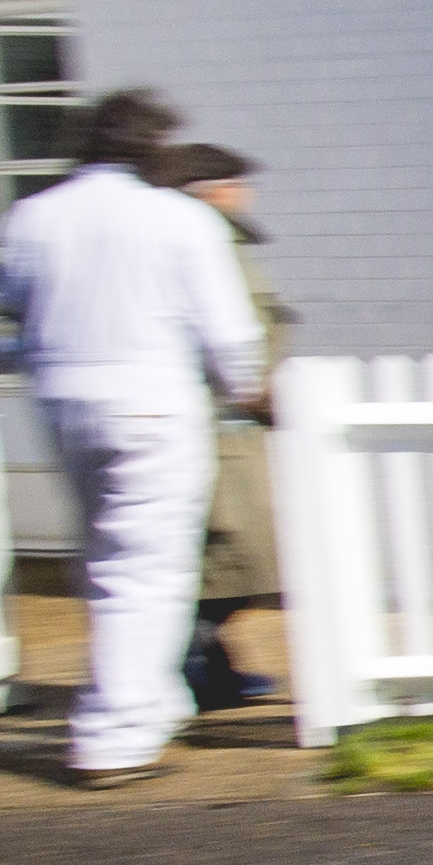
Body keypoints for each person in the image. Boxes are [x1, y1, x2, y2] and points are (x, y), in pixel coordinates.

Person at [0, 91, 266, 788]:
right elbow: (229, 331)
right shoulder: (178, 217)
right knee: (148, 570)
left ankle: (158, 702)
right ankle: (115, 738)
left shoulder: (31, 215)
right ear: (149, 149)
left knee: (107, 558)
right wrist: (248, 390)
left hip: (64, 406)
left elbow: (10, 312)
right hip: (153, 404)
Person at [155, 144, 290, 711]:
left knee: (235, 560)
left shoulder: (221, 242)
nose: (246, 195)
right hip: (220, 422)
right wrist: (254, 392)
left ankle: (208, 667)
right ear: (211, 191)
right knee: (225, 558)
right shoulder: (206, 246)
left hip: (233, 423)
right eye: (237, 184)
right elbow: (231, 335)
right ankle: (196, 670)